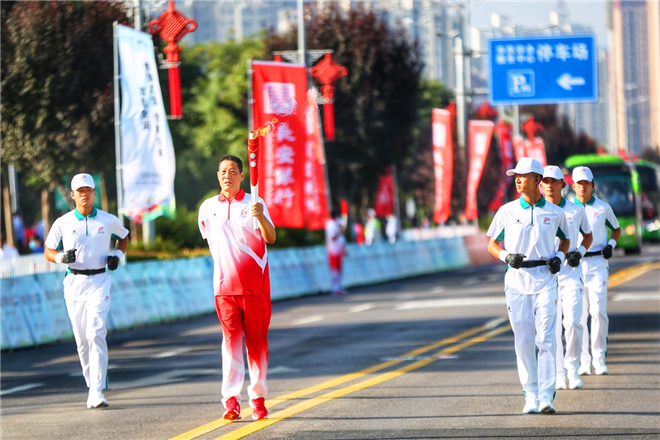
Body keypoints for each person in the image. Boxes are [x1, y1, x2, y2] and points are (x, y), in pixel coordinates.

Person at [487, 157, 570, 415]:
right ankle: (530, 395)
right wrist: (505, 257)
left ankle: (546, 396)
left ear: (537, 180)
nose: (518, 180)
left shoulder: (556, 213)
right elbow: (492, 243)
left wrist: (560, 257)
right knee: (523, 340)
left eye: (523, 176)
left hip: (545, 279)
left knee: (546, 338)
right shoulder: (507, 211)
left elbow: (565, 240)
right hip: (517, 281)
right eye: (516, 177)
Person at [198, 155, 276, 421]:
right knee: (230, 345)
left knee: (256, 344)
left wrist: (261, 217)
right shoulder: (207, 208)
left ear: (242, 175)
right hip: (225, 289)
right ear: (217, 175)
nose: (227, 175)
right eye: (223, 171)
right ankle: (231, 401)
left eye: (233, 171)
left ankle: (258, 398)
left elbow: (271, 237)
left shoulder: (255, 203)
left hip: (256, 288)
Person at [44, 173, 128, 409]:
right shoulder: (63, 222)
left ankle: (97, 390)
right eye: (79, 190)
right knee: (82, 341)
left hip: (100, 280)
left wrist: (117, 256)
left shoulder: (107, 219)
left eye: (88, 190)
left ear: (94, 193)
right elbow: (48, 250)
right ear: (72, 195)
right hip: (74, 283)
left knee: (96, 332)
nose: (84, 194)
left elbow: (124, 237)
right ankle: (92, 384)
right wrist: (61, 257)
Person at [541, 166, 593, 391]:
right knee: (551, 328)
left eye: (555, 181)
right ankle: (559, 372)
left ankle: (573, 367)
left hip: (571, 275)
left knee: (573, 322)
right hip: (546, 278)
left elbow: (588, 236)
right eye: (546, 181)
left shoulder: (575, 210)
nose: (550, 185)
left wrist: (579, 252)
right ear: (540, 185)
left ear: (563, 184)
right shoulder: (537, 211)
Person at [572, 166, 621, 376]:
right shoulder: (566, 209)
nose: (583, 187)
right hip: (575, 266)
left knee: (598, 311)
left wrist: (611, 244)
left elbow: (616, 229)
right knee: (579, 315)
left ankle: (599, 358)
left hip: (598, 263)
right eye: (579, 183)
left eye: (586, 183)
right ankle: (584, 360)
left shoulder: (603, 208)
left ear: (593, 185)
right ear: (573, 186)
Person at [325, 207, 347, 295]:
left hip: (339, 250)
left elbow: (343, 230)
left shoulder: (337, 222)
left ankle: (338, 287)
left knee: (339, 269)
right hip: (333, 250)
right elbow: (333, 237)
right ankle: (335, 288)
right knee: (335, 271)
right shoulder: (330, 225)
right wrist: (339, 231)